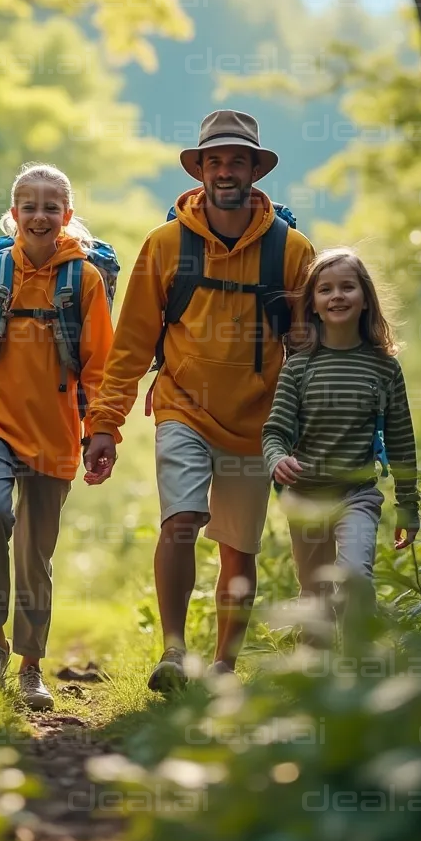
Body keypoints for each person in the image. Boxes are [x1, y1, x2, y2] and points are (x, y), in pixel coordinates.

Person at [84, 111, 314, 690]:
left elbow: (311, 346)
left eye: (238, 160)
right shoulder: (165, 245)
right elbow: (133, 342)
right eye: (215, 161)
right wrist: (104, 426)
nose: (226, 171)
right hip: (182, 405)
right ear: (201, 170)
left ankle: (224, 667)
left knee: (238, 548)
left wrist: (308, 428)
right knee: (181, 521)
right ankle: (173, 651)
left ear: (256, 170)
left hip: (257, 419)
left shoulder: (292, 251)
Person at [0, 163, 113, 711]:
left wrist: (101, 432)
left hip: (56, 432)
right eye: (28, 205)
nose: (39, 215)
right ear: (14, 213)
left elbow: (99, 367)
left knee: (35, 554)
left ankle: (31, 667)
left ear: (66, 216)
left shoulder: (83, 280)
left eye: (50, 207)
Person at [262, 247, 420, 641]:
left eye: (348, 287)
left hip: (357, 495)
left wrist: (408, 506)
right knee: (314, 594)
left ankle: (359, 666)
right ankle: (315, 676)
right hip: (306, 497)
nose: (337, 296)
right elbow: (274, 431)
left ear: (365, 298)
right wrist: (277, 458)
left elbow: (401, 439)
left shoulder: (384, 367)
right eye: (326, 289)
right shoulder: (298, 367)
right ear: (313, 304)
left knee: (355, 580)